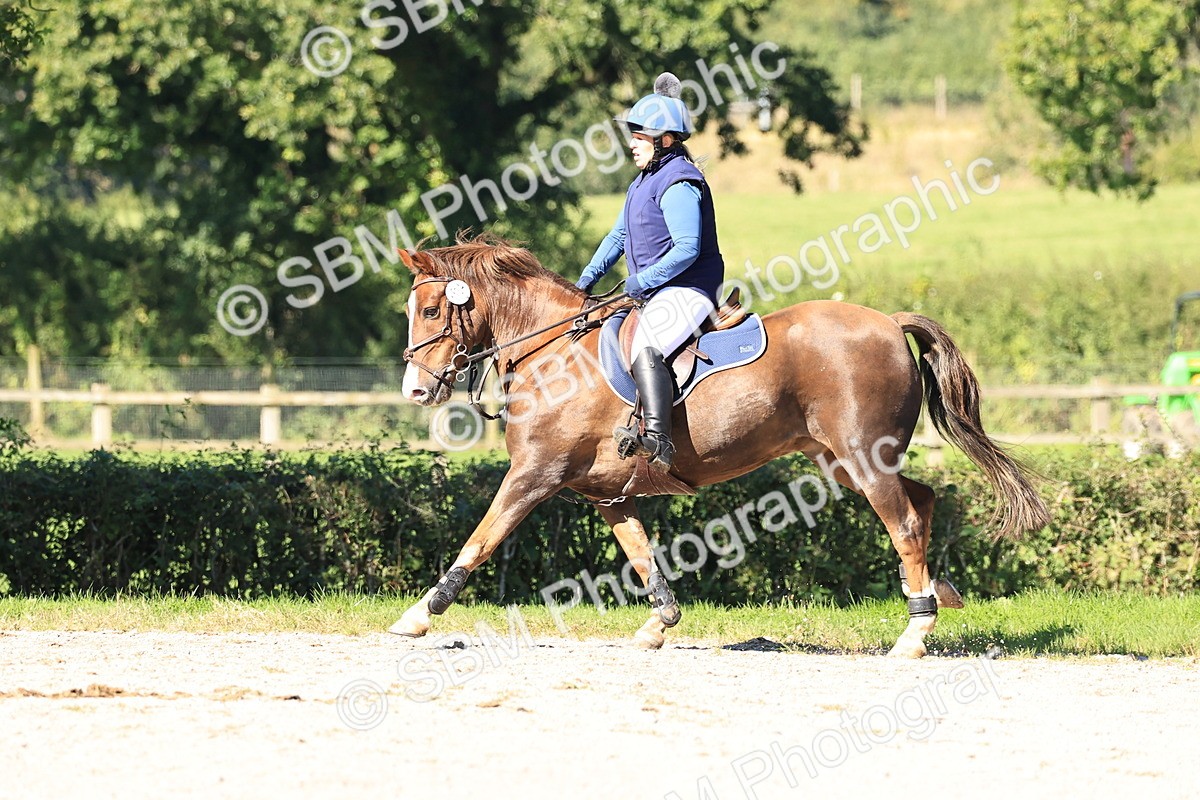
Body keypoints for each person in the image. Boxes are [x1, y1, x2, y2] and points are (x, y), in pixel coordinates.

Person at [576, 72, 726, 472]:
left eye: (639, 138)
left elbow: (688, 248)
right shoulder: (643, 181)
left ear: (665, 140)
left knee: (648, 344)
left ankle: (659, 440)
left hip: (691, 288)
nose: (631, 144)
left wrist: (640, 280)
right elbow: (618, 235)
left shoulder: (679, 181)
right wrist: (585, 280)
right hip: (660, 291)